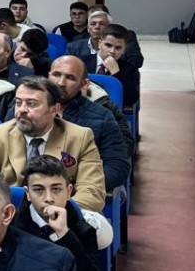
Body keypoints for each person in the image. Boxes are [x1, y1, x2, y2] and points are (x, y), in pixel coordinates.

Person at [0, 78, 105, 211]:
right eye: (18, 103)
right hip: (9, 214)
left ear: (54, 109)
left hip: (62, 214)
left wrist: (54, 213)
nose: (22, 110)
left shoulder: (80, 137)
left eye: (31, 104)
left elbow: (92, 192)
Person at [15, 156, 104, 271]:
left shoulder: (83, 230)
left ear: (68, 191)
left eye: (56, 189)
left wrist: (65, 234)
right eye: (39, 190)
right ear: (28, 194)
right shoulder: (9, 227)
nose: (49, 198)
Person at [48, 55, 133, 194]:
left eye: (70, 78)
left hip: (82, 191)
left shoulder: (102, 116)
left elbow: (117, 166)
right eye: (56, 75)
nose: (61, 83)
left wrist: (77, 187)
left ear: (83, 84)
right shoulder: (29, 109)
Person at [80, 24, 140, 113]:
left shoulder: (130, 69)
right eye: (108, 45)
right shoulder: (81, 63)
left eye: (118, 48)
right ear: (99, 44)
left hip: (111, 114)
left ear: (124, 50)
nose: (112, 51)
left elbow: (130, 100)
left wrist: (116, 73)